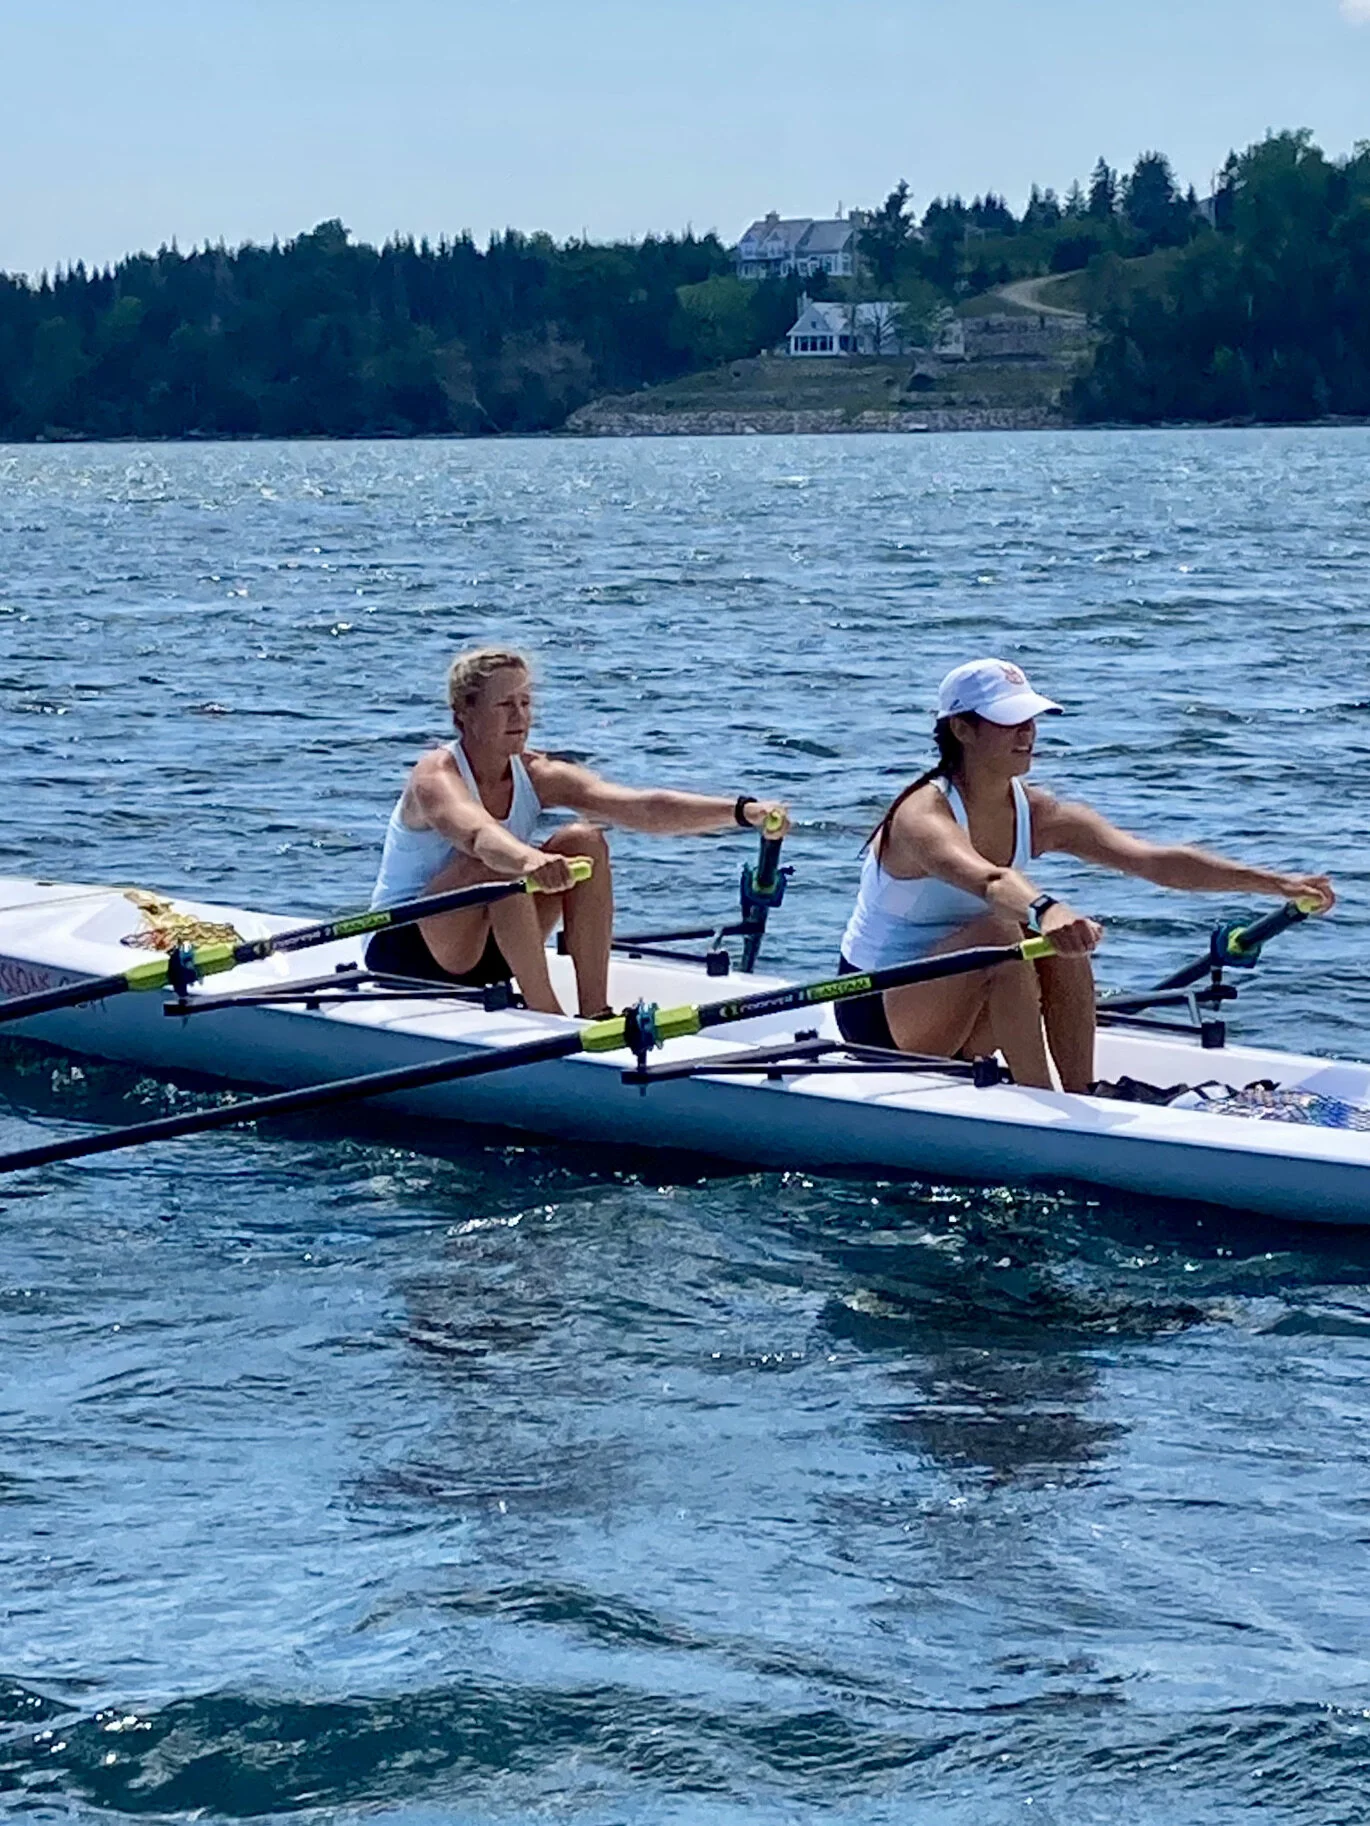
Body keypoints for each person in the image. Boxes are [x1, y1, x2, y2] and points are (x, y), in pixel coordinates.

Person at [836, 657, 1335, 1092]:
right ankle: (1049, 1111)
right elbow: (989, 882)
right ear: (962, 730)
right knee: (1005, 931)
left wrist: (1276, 883)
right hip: (877, 1017)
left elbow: (1151, 859)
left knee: (1052, 942)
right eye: (1010, 723)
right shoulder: (922, 817)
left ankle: (1080, 1095)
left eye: (1031, 720)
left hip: (955, 1005)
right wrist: (1048, 909)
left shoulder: (1036, 811)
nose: (1027, 734)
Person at [366, 645, 789, 1017]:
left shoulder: (536, 773)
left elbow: (640, 807)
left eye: (525, 702)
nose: (520, 716)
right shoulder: (434, 778)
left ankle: (594, 1013)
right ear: (465, 716)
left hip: (492, 947)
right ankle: (546, 1015)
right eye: (504, 706)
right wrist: (532, 862)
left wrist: (740, 811)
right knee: (493, 863)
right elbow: (478, 836)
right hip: (407, 951)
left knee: (584, 841)